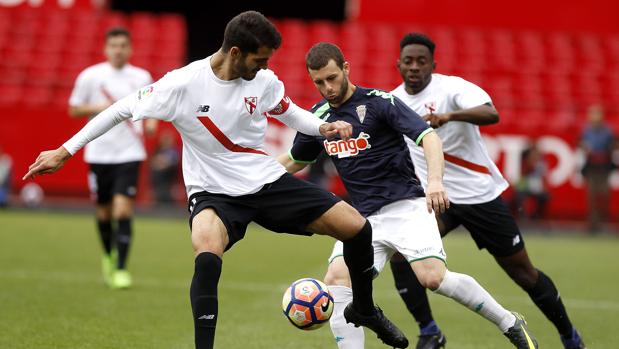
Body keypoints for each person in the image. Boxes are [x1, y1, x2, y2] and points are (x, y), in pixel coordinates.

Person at [23, 11, 408, 349]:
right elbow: (120, 110)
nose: (264, 67)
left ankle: (364, 307)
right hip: (213, 192)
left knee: (358, 229)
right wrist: (65, 150)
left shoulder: (265, 81)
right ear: (236, 53)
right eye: (259, 60)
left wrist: (324, 127)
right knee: (206, 251)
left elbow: (290, 114)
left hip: (265, 181)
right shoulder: (182, 84)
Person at [278, 42, 538, 349]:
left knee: (432, 278)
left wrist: (435, 182)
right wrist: (249, 179)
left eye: (332, 78)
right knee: (337, 283)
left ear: (346, 68)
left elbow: (428, 137)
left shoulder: (379, 102)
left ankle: (509, 322)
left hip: (406, 208)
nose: (327, 88)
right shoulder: (318, 117)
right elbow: (296, 159)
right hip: (362, 219)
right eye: (319, 82)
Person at [389, 33, 586, 349]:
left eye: (421, 61)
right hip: (438, 198)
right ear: (398, 64)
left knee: (523, 274)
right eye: (408, 61)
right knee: (401, 256)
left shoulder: (452, 89)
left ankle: (570, 337)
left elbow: (491, 113)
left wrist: (449, 116)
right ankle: (429, 332)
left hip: (479, 196)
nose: (414, 67)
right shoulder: (393, 102)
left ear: (433, 65)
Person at [68, 27, 155, 289]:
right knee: (104, 213)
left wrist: (150, 123)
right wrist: (102, 108)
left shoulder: (141, 77)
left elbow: (150, 105)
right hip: (98, 153)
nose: (118, 50)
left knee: (123, 209)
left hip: (129, 152)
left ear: (130, 49)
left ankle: (120, 268)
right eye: (114, 45)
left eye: (123, 45)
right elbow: (73, 109)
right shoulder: (91, 76)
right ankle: (108, 254)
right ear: (106, 48)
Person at [580, 104, 615, 232]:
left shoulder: (608, 131)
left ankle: (603, 221)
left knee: (604, 195)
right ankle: (593, 224)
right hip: (592, 168)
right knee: (592, 196)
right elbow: (582, 144)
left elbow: (613, 146)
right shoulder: (586, 131)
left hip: (604, 168)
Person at [512, 145, 549, 220]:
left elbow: (543, 178)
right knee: (519, 196)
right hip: (525, 186)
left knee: (545, 196)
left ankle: (536, 216)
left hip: (537, 187)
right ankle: (523, 216)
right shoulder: (525, 162)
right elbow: (523, 176)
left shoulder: (542, 164)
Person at [150, 129, 180, 205]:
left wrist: (161, 162)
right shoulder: (158, 150)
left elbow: (170, 163)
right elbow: (153, 163)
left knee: (167, 202)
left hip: (168, 182)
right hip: (157, 183)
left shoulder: (173, 151)